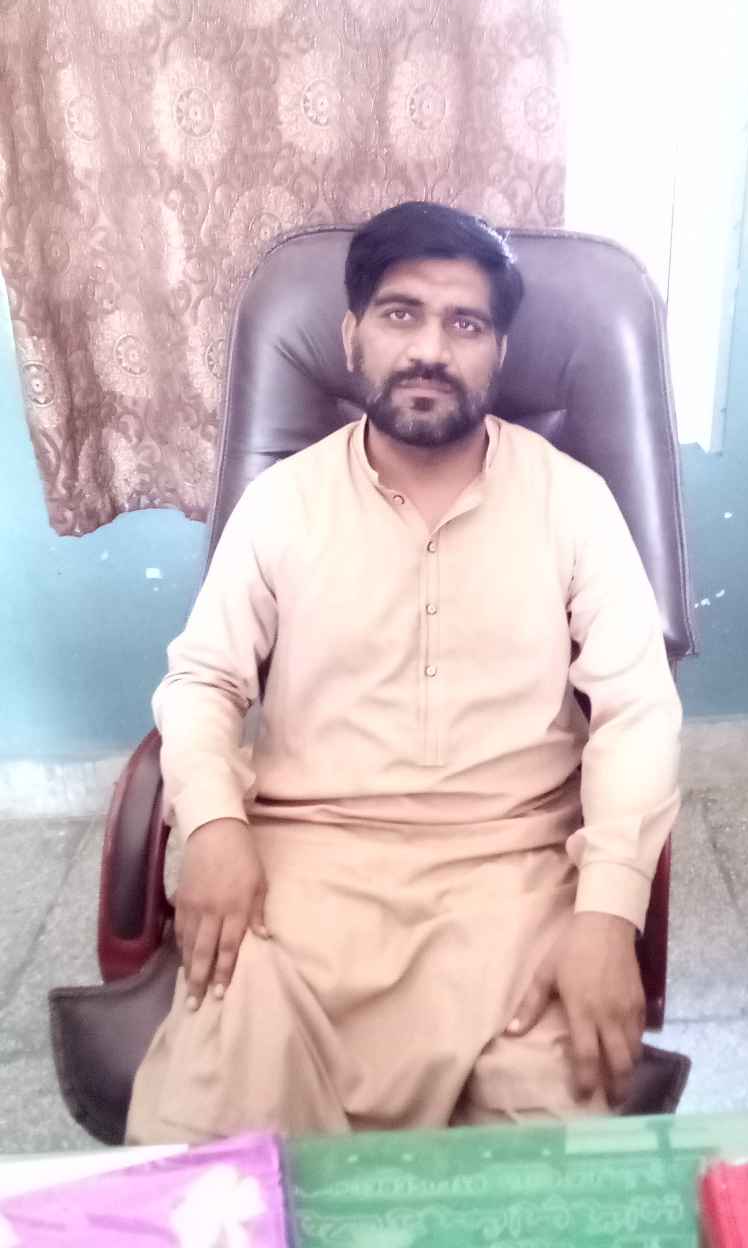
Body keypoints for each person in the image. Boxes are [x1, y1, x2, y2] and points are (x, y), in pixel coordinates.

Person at [126, 201, 682, 1143]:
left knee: (558, 1181)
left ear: (499, 353)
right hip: (298, 886)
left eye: (465, 324)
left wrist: (607, 913)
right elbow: (203, 683)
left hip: (515, 881)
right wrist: (215, 827)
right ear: (352, 336)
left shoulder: (573, 502)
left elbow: (636, 710)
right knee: (212, 1172)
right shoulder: (283, 502)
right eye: (400, 314)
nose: (430, 349)